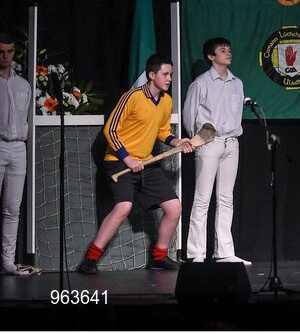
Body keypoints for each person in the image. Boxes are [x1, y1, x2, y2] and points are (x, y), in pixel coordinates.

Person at [76, 54, 194, 273]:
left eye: (171, 75)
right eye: (165, 74)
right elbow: (110, 130)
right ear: (152, 75)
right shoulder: (132, 97)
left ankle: (159, 256)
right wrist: (127, 158)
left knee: (174, 207)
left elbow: (162, 131)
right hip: (119, 162)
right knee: (123, 207)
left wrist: (176, 141)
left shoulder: (166, 101)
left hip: (146, 163)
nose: (169, 79)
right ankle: (90, 260)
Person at [183, 37, 251, 267]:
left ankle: (224, 252)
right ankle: (196, 252)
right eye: (222, 50)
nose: (228, 53)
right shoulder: (201, 83)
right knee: (202, 199)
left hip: (231, 142)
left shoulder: (237, 83)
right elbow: (189, 115)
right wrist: (198, 140)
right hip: (209, 142)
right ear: (211, 57)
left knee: (226, 199)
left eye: (229, 49)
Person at [0, 32, 31, 276]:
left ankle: (7, 260)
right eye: (2, 52)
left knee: (13, 208)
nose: (6, 56)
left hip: (18, 147)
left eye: (9, 51)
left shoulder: (23, 85)